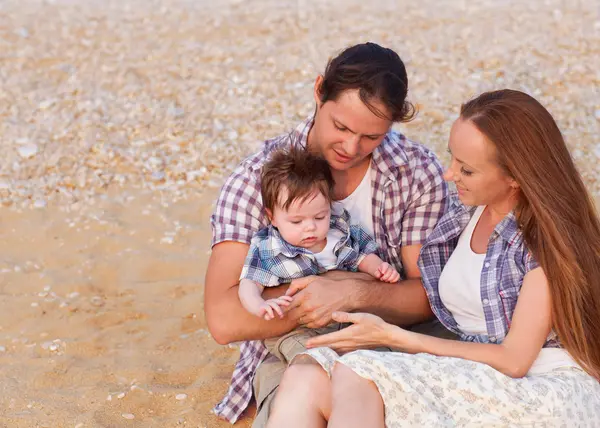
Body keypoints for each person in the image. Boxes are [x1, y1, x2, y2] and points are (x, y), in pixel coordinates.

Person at [268, 89, 600, 427]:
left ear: (515, 176)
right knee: (308, 372)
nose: (449, 174)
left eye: (466, 170)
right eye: (452, 159)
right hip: (478, 375)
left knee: (358, 371)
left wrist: (394, 337)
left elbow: (514, 360)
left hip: (541, 390)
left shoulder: (543, 244)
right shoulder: (464, 213)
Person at [205, 42, 448, 426]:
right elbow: (223, 319)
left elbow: (430, 297)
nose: (351, 147)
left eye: (371, 136)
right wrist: (316, 297)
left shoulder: (415, 172)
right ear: (319, 91)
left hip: (397, 341)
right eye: (341, 127)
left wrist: (353, 292)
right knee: (307, 383)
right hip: (294, 351)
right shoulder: (256, 180)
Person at [239, 147, 400, 367]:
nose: (310, 228)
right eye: (297, 222)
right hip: (298, 330)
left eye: (319, 216)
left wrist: (379, 268)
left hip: (349, 319)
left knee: (375, 359)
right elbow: (249, 284)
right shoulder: (269, 247)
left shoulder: (340, 230)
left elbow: (362, 257)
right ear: (272, 217)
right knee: (311, 362)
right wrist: (260, 305)